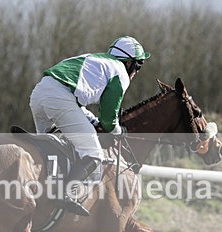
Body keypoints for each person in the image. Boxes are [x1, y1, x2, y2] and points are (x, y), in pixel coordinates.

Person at [29, 36, 150, 216]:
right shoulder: (120, 73)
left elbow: (74, 102)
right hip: (59, 98)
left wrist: (92, 119)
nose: (138, 71)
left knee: (50, 146)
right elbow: (109, 119)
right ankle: (65, 194)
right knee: (93, 153)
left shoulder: (96, 60)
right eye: (139, 65)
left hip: (39, 93)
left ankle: (40, 189)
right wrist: (118, 131)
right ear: (129, 63)